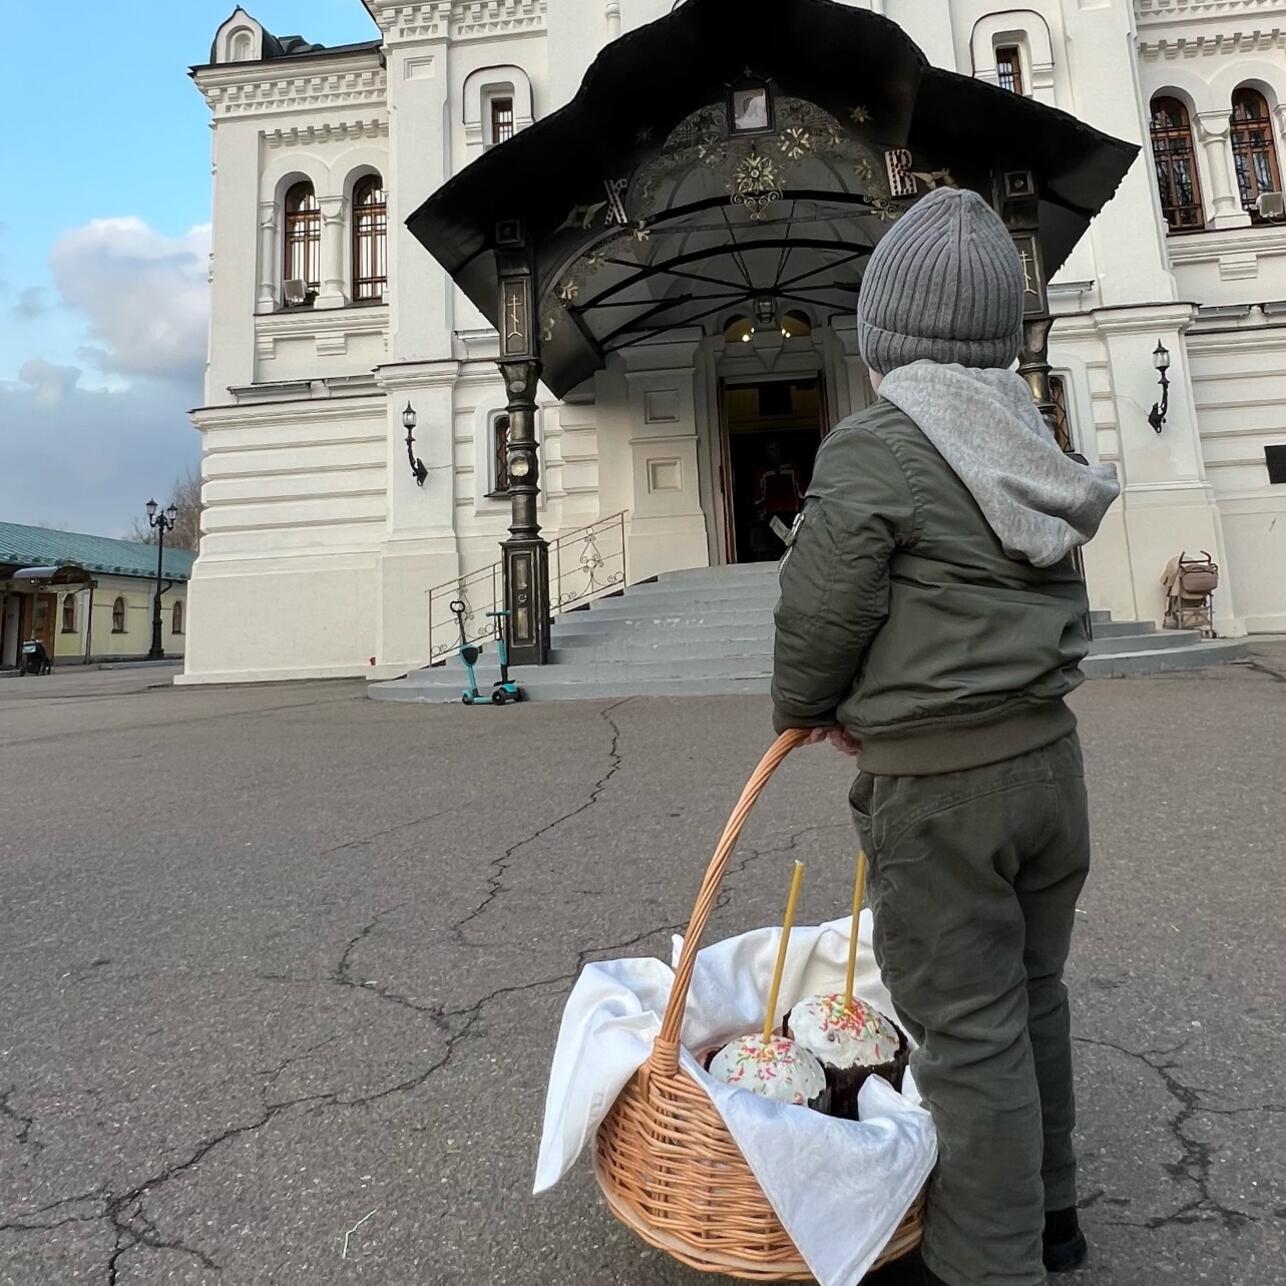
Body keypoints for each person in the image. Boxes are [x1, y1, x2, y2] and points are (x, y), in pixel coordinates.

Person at [771, 187, 1120, 1286]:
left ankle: (988, 1261)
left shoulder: (873, 444)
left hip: (940, 785)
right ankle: (1050, 1212)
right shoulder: (1028, 433)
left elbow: (821, 606)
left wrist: (806, 706)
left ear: (882, 341)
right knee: (1030, 992)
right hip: (1045, 765)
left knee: (964, 1028)